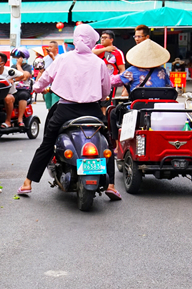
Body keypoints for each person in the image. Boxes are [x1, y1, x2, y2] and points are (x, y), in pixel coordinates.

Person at [17, 24, 121, 201]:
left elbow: (45, 78)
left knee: (47, 144)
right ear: (92, 42)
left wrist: (36, 88)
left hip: (65, 110)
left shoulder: (64, 58)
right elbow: (105, 90)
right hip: (92, 110)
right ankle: (110, 186)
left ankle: (28, 183)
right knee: (106, 141)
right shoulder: (99, 62)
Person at [3, 48, 33, 128]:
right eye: (13, 57)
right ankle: (7, 120)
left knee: (22, 95)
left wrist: (19, 65)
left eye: (17, 57)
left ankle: (20, 119)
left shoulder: (27, 67)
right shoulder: (12, 67)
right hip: (13, 89)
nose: (15, 59)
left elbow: (25, 77)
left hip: (23, 90)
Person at [42, 41, 60, 110]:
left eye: (51, 47)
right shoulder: (45, 59)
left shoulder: (60, 58)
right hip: (47, 85)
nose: (49, 48)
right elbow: (42, 71)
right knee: (49, 106)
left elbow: (60, 67)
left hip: (56, 85)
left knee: (55, 105)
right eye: (48, 47)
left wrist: (52, 57)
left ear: (56, 48)